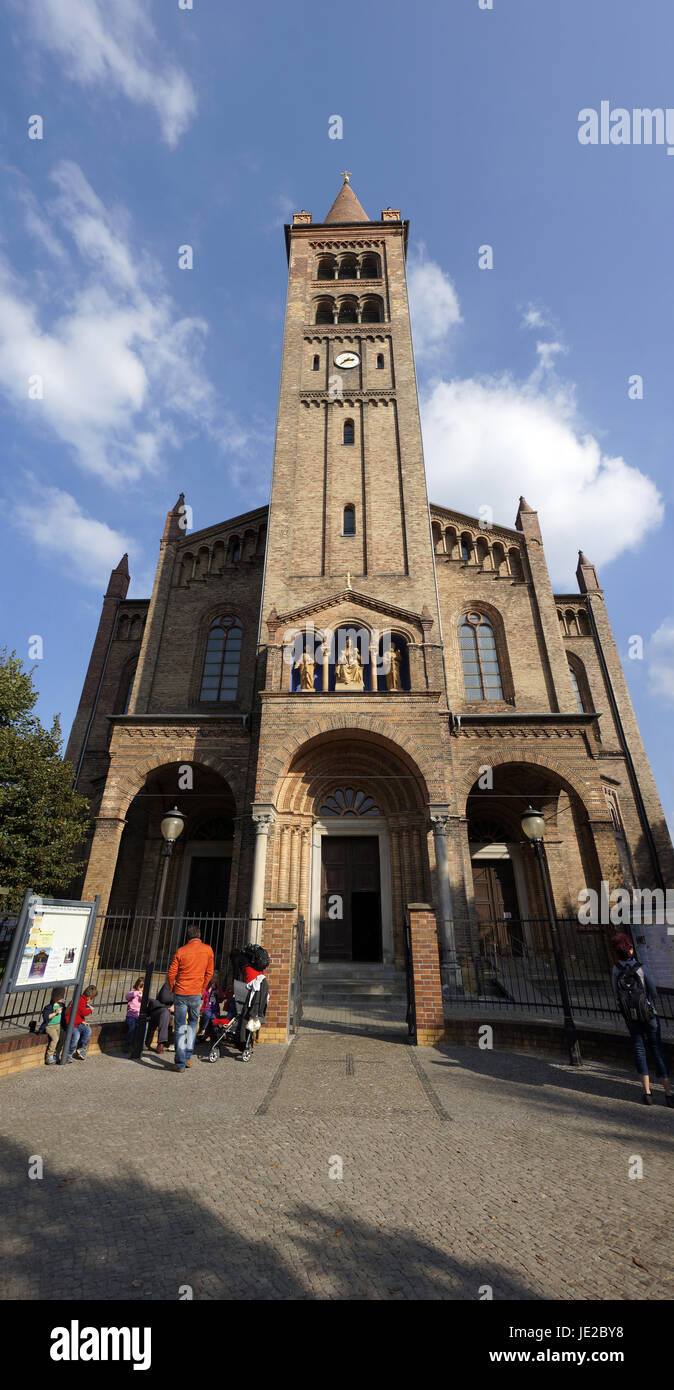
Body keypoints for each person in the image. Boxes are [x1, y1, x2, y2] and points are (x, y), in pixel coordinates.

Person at [611, 934, 673, 1106]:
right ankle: (668, 1094)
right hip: (648, 1013)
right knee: (656, 1049)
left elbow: (615, 991)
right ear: (630, 948)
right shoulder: (640, 967)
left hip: (631, 1015)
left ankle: (646, 1093)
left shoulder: (616, 969)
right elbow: (653, 991)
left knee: (639, 1049)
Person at [167, 924, 214, 1072]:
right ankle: (187, 1057)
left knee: (180, 1026)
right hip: (195, 993)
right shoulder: (207, 950)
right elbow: (209, 972)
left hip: (181, 992)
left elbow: (171, 973)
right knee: (193, 1024)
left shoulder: (181, 951)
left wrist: (172, 988)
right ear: (199, 935)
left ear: (187, 937)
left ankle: (180, 1062)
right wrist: (202, 987)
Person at [62, 985, 99, 1062]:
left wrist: (82, 1021)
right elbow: (83, 1012)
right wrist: (90, 1010)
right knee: (76, 1035)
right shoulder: (81, 1000)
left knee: (87, 1030)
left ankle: (81, 1049)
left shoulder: (82, 999)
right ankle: (68, 1054)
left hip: (78, 1022)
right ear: (90, 998)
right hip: (71, 1024)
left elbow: (77, 1013)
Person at [147, 982, 174, 1055]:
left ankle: (178, 1044)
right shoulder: (168, 984)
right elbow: (164, 998)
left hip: (172, 1011)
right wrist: (178, 999)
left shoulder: (184, 987)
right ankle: (161, 1043)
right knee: (165, 1013)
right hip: (159, 1010)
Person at [40, 987, 65, 1065]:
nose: (63, 998)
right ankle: (49, 1056)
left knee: (61, 1038)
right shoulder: (49, 1007)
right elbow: (46, 1017)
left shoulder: (62, 1005)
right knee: (55, 1039)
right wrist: (55, 1013)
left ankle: (55, 1054)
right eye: (61, 996)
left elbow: (65, 1014)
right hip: (50, 1026)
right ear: (56, 997)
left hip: (58, 1025)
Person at [198, 971, 225, 1041]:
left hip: (215, 1009)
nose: (214, 980)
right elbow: (203, 997)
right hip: (207, 1008)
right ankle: (203, 1029)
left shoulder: (218, 988)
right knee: (207, 1014)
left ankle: (215, 1035)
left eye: (216, 978)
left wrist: (218, 994)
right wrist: (210, 989)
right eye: (213, 978)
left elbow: (221, 1000)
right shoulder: (206, 987)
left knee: (214, 1019)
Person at [125, 977, 145, 1052]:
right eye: (140, 986)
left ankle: (141, 1044)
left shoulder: (143, 995)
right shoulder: (133, 993)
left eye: (143, 987)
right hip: (131, 1015)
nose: (141, 989)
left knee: (144, 1027)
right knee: (132, 1028)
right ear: (137, 986)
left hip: (140, 1015)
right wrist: (136, 993)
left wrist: (143, 999)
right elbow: (127, 997)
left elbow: (146, 1004)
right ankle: (128, 1044)